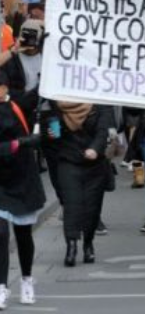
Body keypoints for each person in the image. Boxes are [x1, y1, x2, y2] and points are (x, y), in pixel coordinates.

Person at [48, 101, 114, 267]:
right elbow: (53, 132)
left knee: (92, 206)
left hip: (95, 164)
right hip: (68, 161)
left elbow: (102, 131)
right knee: (72, 204)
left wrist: (95, 148)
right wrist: (52, 133)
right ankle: (71, 246)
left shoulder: (100, 104)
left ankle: (88, 244)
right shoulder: (58, 103)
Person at [0, 70, 44, 307]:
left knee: (23, 234)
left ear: (5, 88)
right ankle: (1, 286)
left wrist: (49, 67)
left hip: (22, 177)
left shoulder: (17, 103)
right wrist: (20, 143)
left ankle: (27, 279)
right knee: (0, 234)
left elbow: (36, 95)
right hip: (1, 181)